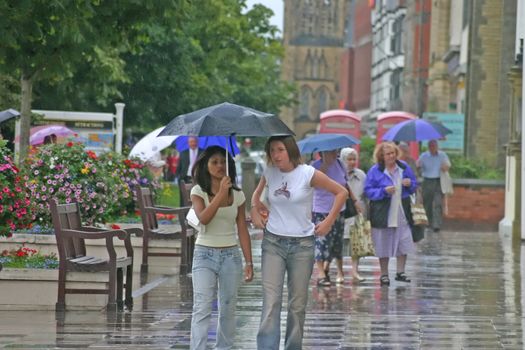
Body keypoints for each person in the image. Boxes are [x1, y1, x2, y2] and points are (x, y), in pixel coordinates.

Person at [250, 135, 347, 350]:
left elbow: (341, 192)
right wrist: (255, 209)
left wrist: (329, 221)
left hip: (302, 245)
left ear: (291, 150)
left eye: (280, 150)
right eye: (272, 150)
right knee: (271, 301)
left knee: (297, 304)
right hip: (273, 242)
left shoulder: (308, 173)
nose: (275, 155)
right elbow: (256, 198)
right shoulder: (269, 172)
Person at [189, 146, 253, 350]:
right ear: (206, 166)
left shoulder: (238, 195)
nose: (219, 166)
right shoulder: (198, 191)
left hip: (230, 256)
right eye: (214, 162)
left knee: (228, 307)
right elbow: (204, 218)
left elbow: (242, 228)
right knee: (202, 307)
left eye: (223, 161)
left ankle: (224, 347)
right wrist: (221, 193)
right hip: (204, 255)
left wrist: (248, 261)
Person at [364, 142, 417, 287]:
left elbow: (414, 185)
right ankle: (384, 274)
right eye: (388, 154)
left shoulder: (404, 167)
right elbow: (368, 191)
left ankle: (400, 272)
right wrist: (383, 191)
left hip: (401, 209)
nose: (391, 156)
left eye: (393, 152)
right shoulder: (375, 171)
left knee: (404, 239)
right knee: (383, 241)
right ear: (381, 156)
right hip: (383, 211)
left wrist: (409, 183)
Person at [311, 149, 350, 286]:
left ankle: (337, 269)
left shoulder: (340, 164)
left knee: (336, 242)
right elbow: (312, 185)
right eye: (331, 152)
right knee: (321, 241)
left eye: (336, 151)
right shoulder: (314, 167)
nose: (335, 154)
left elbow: (346, 184)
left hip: (339, 209)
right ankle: (321, 273)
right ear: (322, 153)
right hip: (321, 209)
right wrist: (324, 167)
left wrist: (355, 201)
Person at [339, 147, 367, 282]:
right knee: (339, 243)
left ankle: (355, 271)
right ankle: (340, 272)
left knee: (356, 243)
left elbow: (367, 193)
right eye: (349, 159)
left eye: (354, 159)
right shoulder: (337, 174)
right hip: (341, 212)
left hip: (357, 213)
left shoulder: (361, 175)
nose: (352, 162)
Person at [417, 139, 451, 232]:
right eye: (431, 146)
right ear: (428, 147)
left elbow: (448, 166)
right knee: (427, 203)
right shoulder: (424, 156)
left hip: (438, 181)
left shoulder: (442, 155)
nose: (433, 148)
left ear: (437, 146)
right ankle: (428, 223)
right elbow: (418, 168)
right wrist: (418, 166)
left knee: (438, 203)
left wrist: (445, 167)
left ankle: (437, 225)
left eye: (434, 146)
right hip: (427, 181)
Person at [175, 136, 201, 205]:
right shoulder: (183, 153)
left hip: (199, 178)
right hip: (185, 177)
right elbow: (179, 165)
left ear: (197, 142)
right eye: (191, 142)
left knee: (197, 196)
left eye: (194, 142)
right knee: (184, 197)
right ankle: (184, 213)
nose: (193, 143)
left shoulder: (203, 152)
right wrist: (178, 176)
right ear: (188, 143)